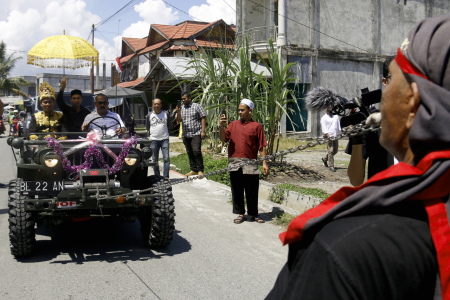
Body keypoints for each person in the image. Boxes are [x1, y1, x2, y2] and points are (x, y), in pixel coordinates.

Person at [266, 14, 450, 300]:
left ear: (413, 102)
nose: (382, 95)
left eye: (388, 83)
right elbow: (355, 177)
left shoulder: (343, 250)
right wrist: (357, 139)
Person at [345, 57, 395, 185]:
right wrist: (357, 140)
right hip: (382, 201)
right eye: (396, 78)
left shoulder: (424, 119)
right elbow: (355, 180)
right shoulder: (370, 122)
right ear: (385, 81)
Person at [219, 99, 269, 224]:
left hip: (250, 163)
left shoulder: (257, 126)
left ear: (250, 111)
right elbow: (223, 138)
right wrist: (221, 126)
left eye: (242, 110)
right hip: (235, 163)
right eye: (239, 110)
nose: (240, 112)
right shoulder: (233, 124)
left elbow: (261, 146)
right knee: (237, 190)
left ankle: (253, 214)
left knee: (252, 190)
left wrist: (264, 162)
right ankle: (240, 213)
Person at [176, 92, 206, 177]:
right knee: (189, 152)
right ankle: (193, 169)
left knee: (196, 151)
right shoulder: (181, 108)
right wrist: (178, 112)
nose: (183, 100)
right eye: (182, 99)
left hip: (196, 133)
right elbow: (179, 120)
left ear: (189, 98)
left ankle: (200, 170)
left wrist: (203, 131)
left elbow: (203, 118)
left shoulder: (197, 106)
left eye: (184, 98)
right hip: (186, 134)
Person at [145, 98, 171, 181]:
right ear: (152, 105)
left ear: (161, 105)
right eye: (155, 104)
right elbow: (147, 127)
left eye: (158, 104)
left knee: (166, 158)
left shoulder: (166, 114)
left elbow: (169, 125)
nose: (156, 106)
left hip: (164, 139)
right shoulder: (149, 115)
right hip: (154, 140)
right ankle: (157, 176)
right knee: (154, 159)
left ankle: (166, 177)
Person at [320, 104, 340, 172]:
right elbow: (324, 129)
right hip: (328, 136)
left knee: (335, 151)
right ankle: (331, 166)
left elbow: (338, 126)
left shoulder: (336, 116)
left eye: (331, 107)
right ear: (326, 109)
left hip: (335, 135)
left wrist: (342, 132)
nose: (330, 108)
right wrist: (328, 138)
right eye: (329, 107)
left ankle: (325, 159)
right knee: (331, 151)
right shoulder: (324, 118)